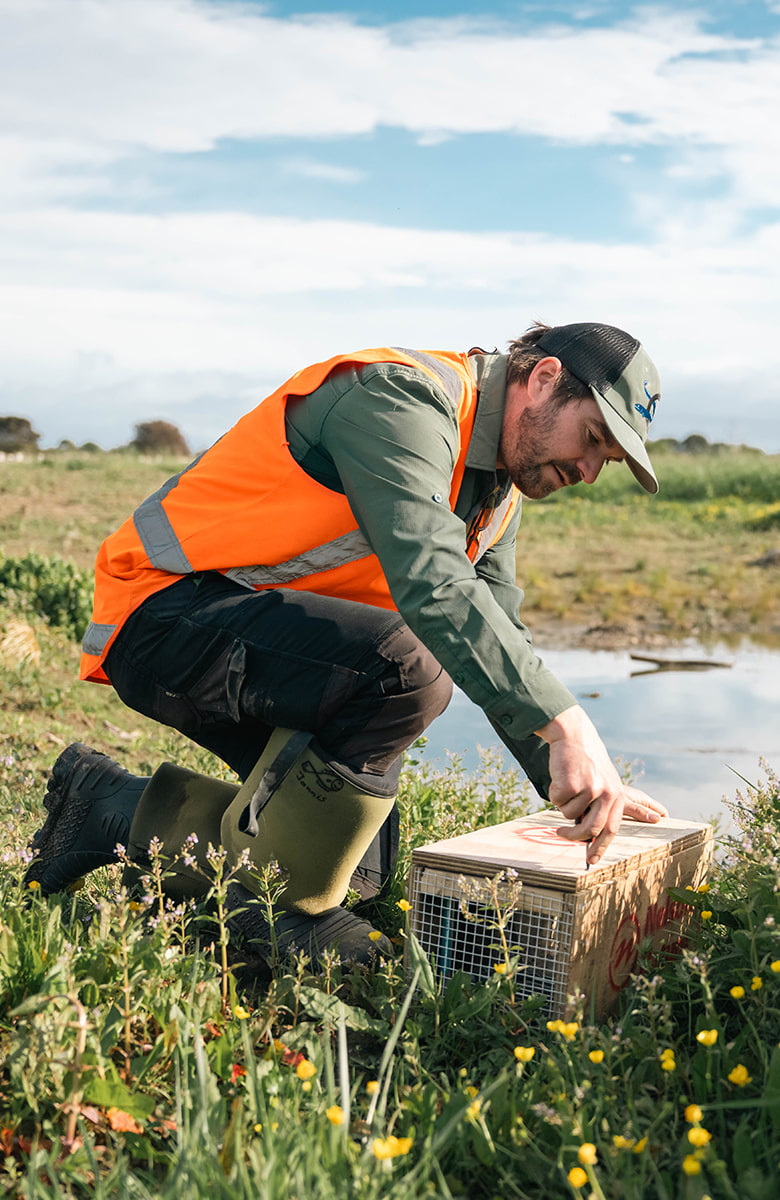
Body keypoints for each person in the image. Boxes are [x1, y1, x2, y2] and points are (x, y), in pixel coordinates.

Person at [25, 321, 669, 968]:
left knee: (357, 864)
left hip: (266, 644)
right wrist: (567, 722)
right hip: (161, 615)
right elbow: (434, 582)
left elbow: (499, 632)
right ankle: (278, 925)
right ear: (545, 378)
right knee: (405, 670)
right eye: (592, 439)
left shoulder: (496, 495)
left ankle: (109, 809)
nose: (588, 472)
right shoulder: (402, 400)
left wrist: (583, 782)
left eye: (605, 461)